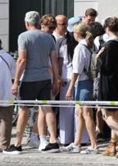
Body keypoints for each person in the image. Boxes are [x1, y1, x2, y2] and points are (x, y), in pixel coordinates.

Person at [6, 11, 61, 154]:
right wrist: (56, 79)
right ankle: (53, 141)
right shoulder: (49, 38)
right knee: (47, 108)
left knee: (24, 110)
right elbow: (54, 60)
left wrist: (16, 81)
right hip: (45, 78)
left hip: (29, 78)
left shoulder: (23, 36)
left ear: (26, 23)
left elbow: (22, 60)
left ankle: (17, 144)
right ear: (38, 23)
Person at [94, 17, 118, 157]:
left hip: (108, 82)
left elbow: (105, 67)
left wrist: (98, 57)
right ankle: (112, 144)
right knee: (115, 114)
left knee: (106, 114)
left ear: (107, 28)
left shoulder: (110, 45)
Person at [63, 22, 98, 154]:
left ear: (76, 33)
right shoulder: (90, 46)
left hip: (83, 83)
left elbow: (76, 70)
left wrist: (70, 88)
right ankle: (77, 142)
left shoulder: (80, 48)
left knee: (86, 114)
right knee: (80, 113)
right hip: (88, 81)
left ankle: (93, 144)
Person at [54, 15, 76, 146]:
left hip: (65, 78)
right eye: (62, 24)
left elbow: (60, 60)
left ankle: (67, 137)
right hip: (60, 77)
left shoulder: (68, 40)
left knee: (68, 110)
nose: (64, 26)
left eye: (65, 24)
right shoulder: (56, 39)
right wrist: (57, 77)